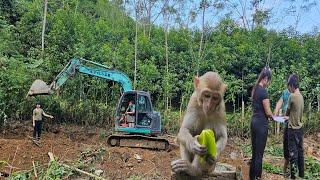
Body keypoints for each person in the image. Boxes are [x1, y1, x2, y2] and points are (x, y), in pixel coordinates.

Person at [250, 67, 273, 180]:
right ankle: (258, 177)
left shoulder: (255, 90)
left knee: (254, 152)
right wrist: (274, 117)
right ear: (266, 78)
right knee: (259, 154)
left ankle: (251, 176)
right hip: (261, 124)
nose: (268, 84)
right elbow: (268, 112)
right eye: (269, 81)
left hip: (254, 122)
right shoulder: (263, 92)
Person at [285, 74, 304, 179]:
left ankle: (293, 177)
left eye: (289, 86)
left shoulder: (292, 96)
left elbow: (287, 113)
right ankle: (302, 175)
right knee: (300, 152)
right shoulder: (301, 96)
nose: (289, 89)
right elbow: (297, 112)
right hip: (300, 129)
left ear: (292, 85)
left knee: (293, 153)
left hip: (292, 129)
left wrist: (286, 117)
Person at [274, 86, 291, 176]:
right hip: (286, 123)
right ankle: (285, 170)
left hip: (293, 125)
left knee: (291, 148)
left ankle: (292, 170)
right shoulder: (285, 92)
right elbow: (280, 101)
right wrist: (276, 109)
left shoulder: (296, 95)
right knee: (286, 147)